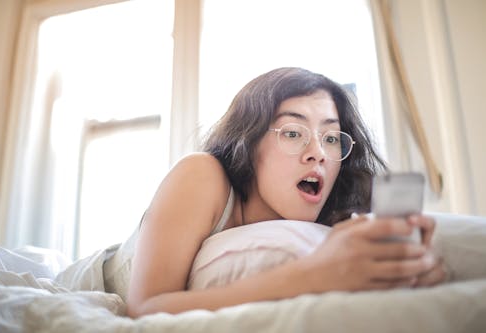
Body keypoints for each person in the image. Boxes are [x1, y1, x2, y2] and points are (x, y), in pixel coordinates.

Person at [126, 67, 446, 317]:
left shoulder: (334, 216)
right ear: (248, 143)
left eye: (332, 138)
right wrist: (311, 276)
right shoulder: (201, 174)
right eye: (293, 133)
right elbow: (144, 310)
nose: (318, 152)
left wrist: (409, 270)